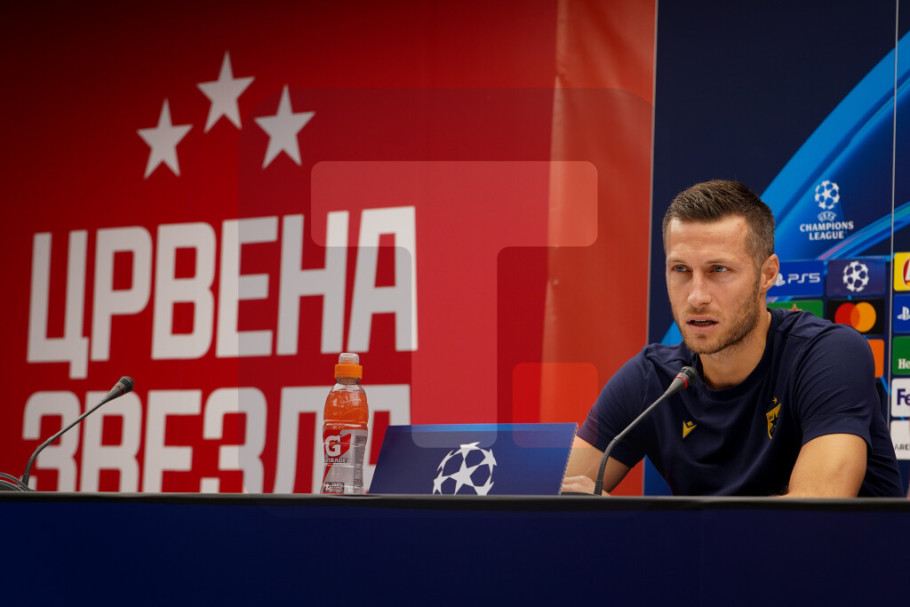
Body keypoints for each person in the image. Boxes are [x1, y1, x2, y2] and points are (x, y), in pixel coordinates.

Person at [562, 179, 904, 497]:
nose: (696, 296)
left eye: (719, 270)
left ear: (767, 274)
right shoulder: (653, 379)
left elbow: (813, 515)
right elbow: (550, 494)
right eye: (681, 270)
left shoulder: (828, 355)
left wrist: (641, 527)